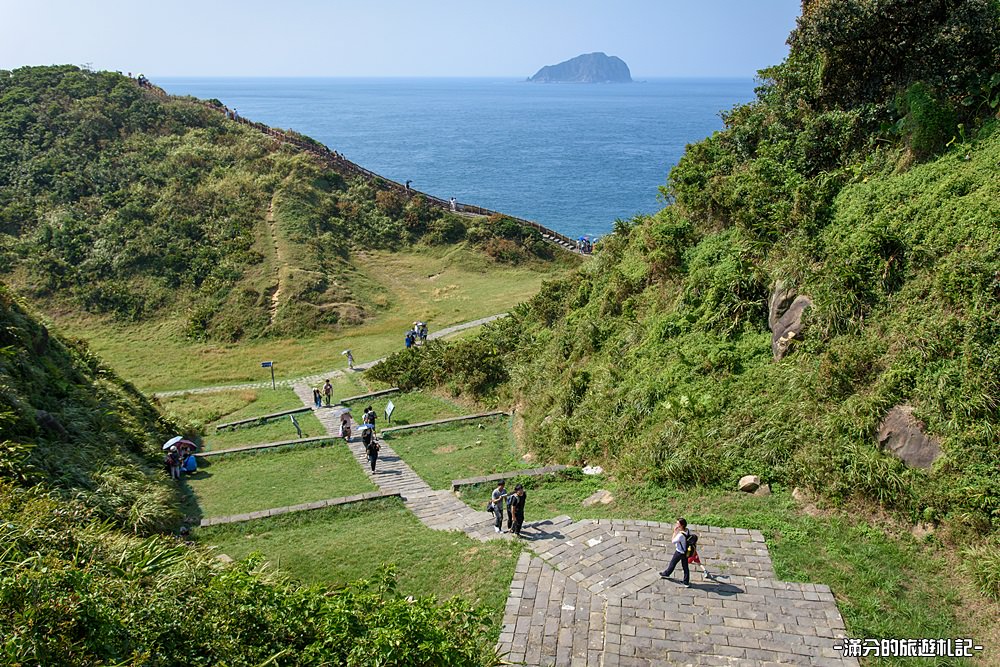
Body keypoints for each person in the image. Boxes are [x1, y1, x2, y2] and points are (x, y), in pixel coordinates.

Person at [659, 518, 691, 587]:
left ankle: (666, 574)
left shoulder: (680, 535)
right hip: (685, 552)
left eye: (678, 524)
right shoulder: (687, 530)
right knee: (685, 567)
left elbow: (673, 541)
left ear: (681, 525)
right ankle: (686, 582)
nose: (676, 525)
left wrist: (674, 532)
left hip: (679, 552)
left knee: (672, 563)